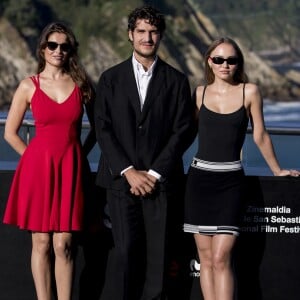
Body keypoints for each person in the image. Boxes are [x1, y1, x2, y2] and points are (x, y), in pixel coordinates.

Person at [183, 36, 300, 300]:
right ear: (209, 62)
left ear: (239, 63)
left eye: (231, 60)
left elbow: (260, 135)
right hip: (199, 181)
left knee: (221, 256)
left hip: (230, 182)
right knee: (205, 259)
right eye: (219, 59)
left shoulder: (250, 91)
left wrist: (277, 170)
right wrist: (160, 164)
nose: (225, 65)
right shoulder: (199, 93)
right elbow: (186, 135)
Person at [94, 5, 194, 300]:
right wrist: (129, 171)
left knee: (159, 258)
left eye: (152, 32)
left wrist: (152, 173)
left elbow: (183, 130)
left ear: (160, 35)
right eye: (141, 31)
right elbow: (103, 128)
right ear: (130, 34)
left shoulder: (176, 81)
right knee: (125, 253)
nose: (147, 37)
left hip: (160, 183)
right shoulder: (110, 78)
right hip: (120, 183)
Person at [3, 22, 95, 300]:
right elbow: (10, 132)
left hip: (70, 171)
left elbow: (100, 129)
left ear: (71, 51)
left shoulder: (81, 85)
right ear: (42, 49)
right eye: (52, 45)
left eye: (64, 46)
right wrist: (32, 160)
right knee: (41, 242)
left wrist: (79, 155)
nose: (58, 51)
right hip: (38, 172)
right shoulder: (27, 86)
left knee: (64, 243)